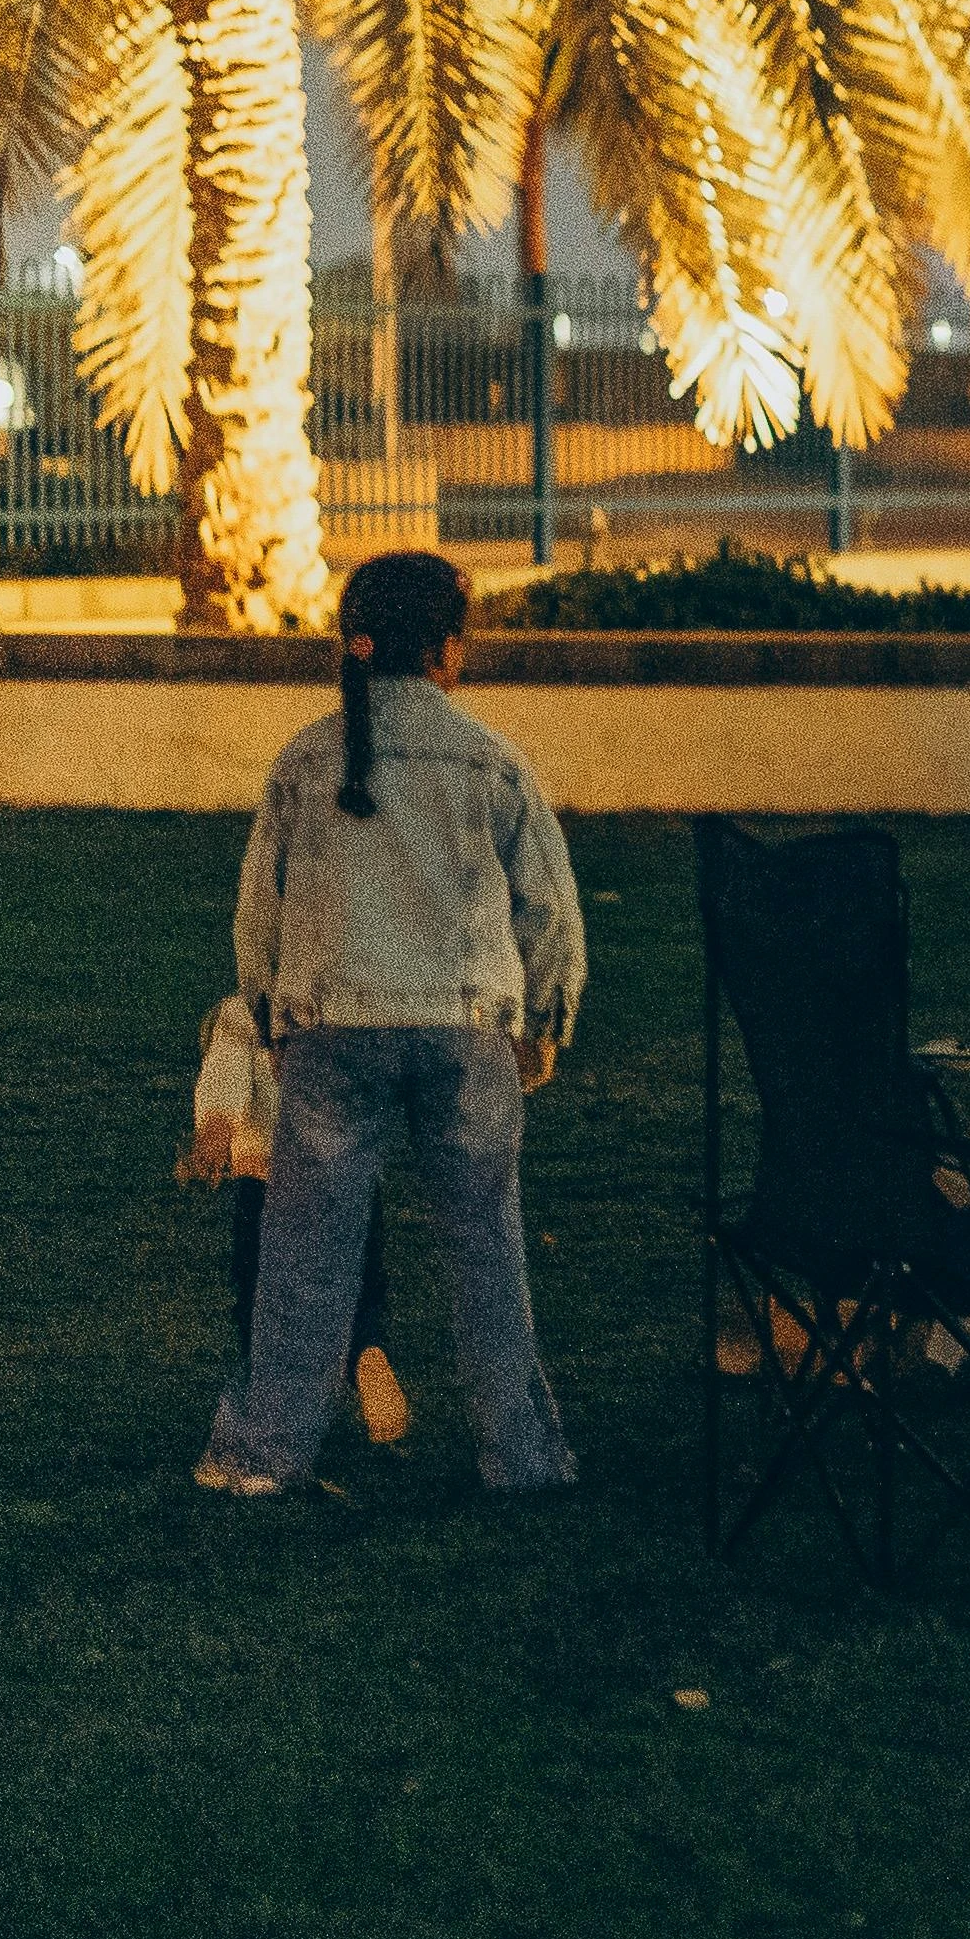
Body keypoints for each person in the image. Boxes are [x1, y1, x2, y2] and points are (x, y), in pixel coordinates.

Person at [198, 550, 583, 1499]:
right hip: (467, 1028)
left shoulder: (304, 762)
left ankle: (262, 1455)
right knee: (486, 1248)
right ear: (446, 652)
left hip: (330, 1028)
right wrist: (542, 1022)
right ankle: (522, 1458)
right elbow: (550, 911)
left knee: (305, 1256)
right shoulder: (492, 761)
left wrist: (268, 1013)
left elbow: (258, 911)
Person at [182, 992, 403, 1446]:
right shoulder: (352, 1003)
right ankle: (368, 1352)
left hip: (268, 1182)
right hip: (349, 1176)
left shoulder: (245, 1011)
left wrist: (215, 1132)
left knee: (260, 1298)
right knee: (360, 1286)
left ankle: (265, 1418)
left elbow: (225, 1077)